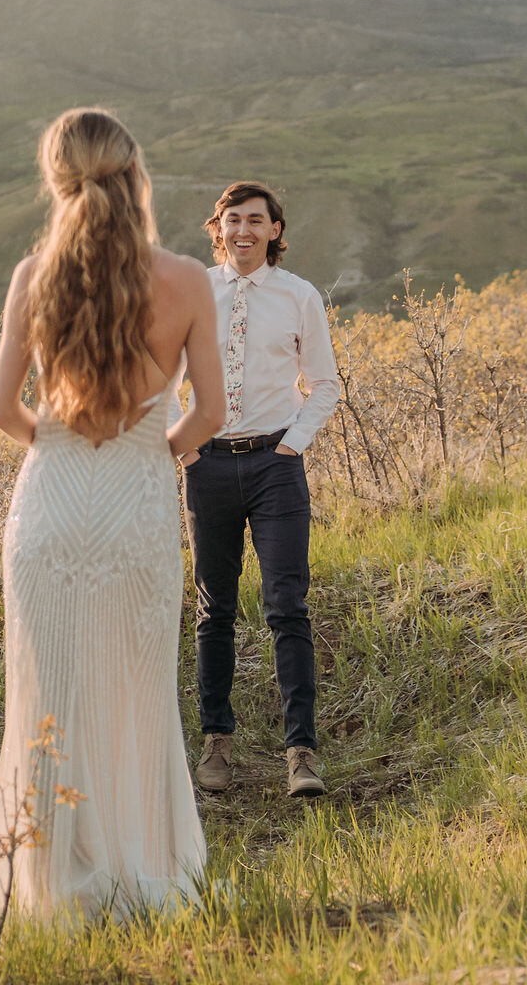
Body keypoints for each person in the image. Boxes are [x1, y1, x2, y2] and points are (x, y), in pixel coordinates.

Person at [0, 107, 225, 925]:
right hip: (135, 511)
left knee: (48, 698)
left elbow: (1, 411)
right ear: (134, 171)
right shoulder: (187, 278)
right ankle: (139, 870)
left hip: (47, 510)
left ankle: (50, 888)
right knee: (137, 695)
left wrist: (60, 445)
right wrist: (152, 448)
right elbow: (213, 413)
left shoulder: (31, 275)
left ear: (57, 178)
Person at [177, 180, 340, 798]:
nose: (242, 230)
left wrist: (292, 444)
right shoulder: (193, 292)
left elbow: (324, 383)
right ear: (216, 228)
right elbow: (160, 376)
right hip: (207, 464)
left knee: (287, 608)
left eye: (255, 220)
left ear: (275, 230)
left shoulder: (299, 297)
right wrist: (184, 445)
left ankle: (301, 754)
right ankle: (216, 744)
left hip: (276, 465)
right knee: (214, 609)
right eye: (231, 220)